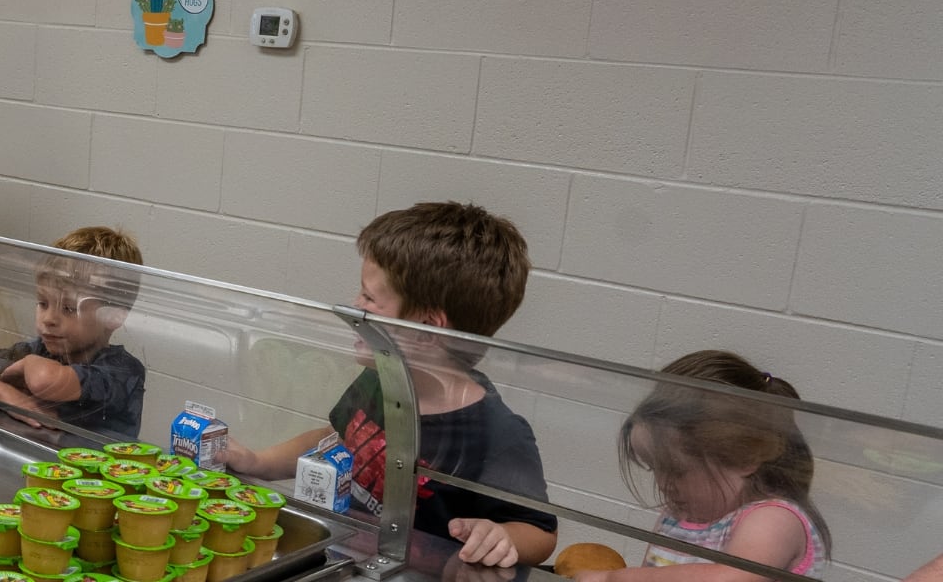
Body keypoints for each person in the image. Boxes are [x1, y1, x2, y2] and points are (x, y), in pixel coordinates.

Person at [221, 202, 557, 568]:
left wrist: (505, 537)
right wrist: (258, 462)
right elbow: (337, 439)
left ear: (426, 331)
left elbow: (540, 531)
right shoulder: (381, 380)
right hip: (350, 559)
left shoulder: (498, 434)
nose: (355, 306)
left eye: (369, 299)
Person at [577, 350, 830, 580]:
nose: (663, 485)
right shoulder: (675, 518)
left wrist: (616, 579)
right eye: (654, 468)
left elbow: (728, 579)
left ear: (745, 457)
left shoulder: (773, 519)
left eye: (676, 470)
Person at [0, 227, 147, 435]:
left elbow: (45, 381)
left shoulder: (124, 370)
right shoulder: (40, 349)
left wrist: (28, 363)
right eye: (43, 303)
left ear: (113, 316)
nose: (48, 319)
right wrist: (7, 395)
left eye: (68, 308)